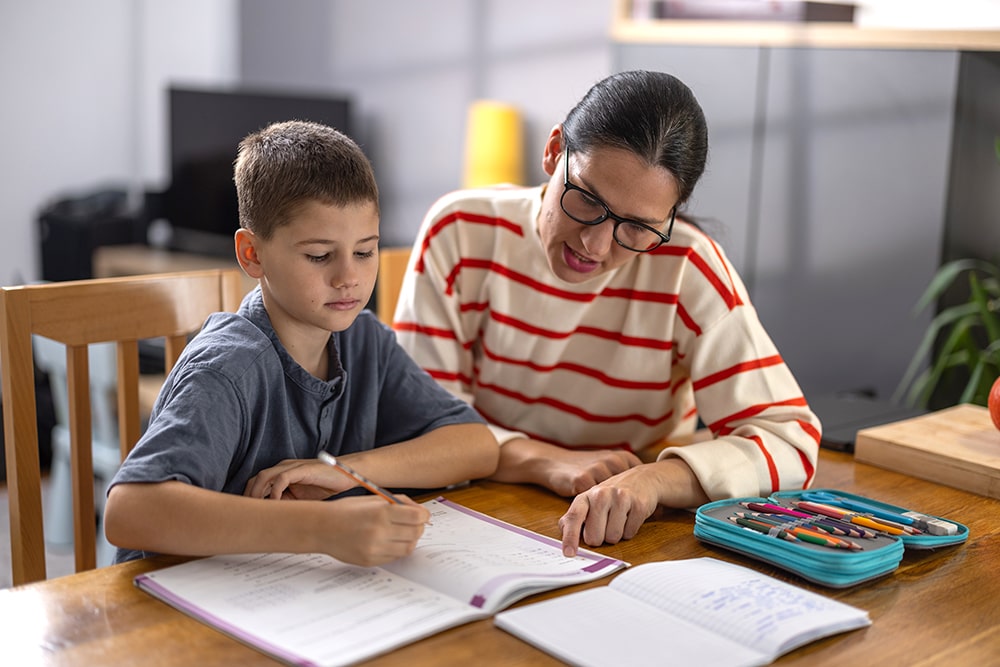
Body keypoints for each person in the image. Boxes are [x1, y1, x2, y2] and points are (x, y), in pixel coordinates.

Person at [392, 70, 821, 556]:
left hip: (616, 528)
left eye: (637, 227)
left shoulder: (686, 266)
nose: (594, 246)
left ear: (670, 217)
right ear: (554, 151)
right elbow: (421, 421)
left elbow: (791, 440)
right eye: (587, 199)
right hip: (474, 510)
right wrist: (543, 460)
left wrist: (655, 480)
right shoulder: (460, 230)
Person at [104, 121, 499, 567]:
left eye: (365, 251)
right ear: (252, 254)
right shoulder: (228, 368)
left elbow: (476, 445)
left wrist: (341, 471)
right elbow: (129, 511)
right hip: (178, 614)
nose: (348, 277)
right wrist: (321, 527)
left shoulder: (362, 340)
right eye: (319, 256)